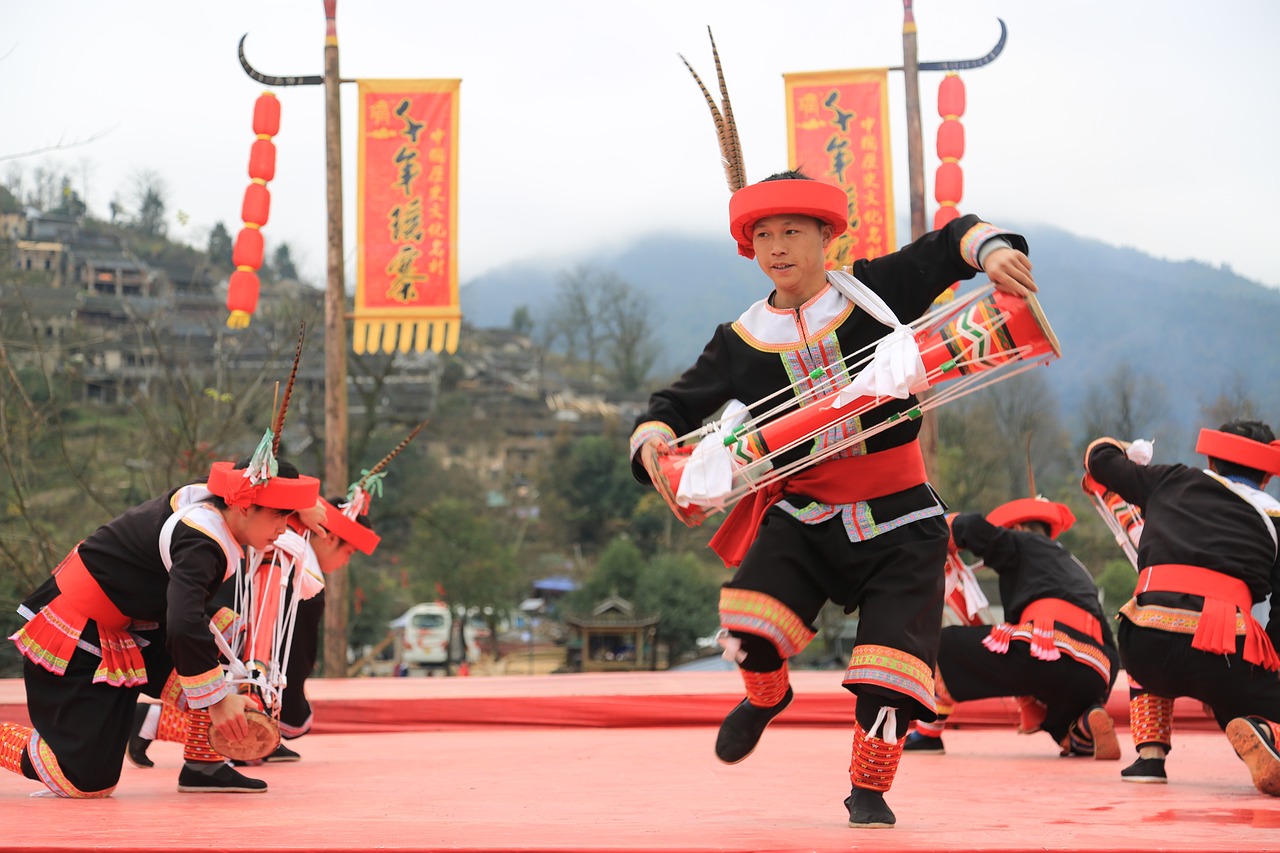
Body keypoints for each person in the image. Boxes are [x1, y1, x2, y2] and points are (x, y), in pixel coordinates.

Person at [629, 170, 1037, 828]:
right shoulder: (739, 340)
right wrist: (652, 441)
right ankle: (766, 697)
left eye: (792, 231)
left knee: (890, 668)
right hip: (806, 516)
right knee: (749, 622)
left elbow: (953, 239)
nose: (777, 247)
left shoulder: (874, 293)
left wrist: (990, 251)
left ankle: (868, 788)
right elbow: (672, 405)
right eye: (764, 235)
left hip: (903, 516)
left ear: (827, 237)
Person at [0, 454, 320, 798]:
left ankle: (204, 766)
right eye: (279, 516)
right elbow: (183, 623)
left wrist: (301, 507)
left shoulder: (214, 499)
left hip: (134, 627)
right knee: (85, 780)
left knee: (223, 631)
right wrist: (217, 701)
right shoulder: (201, 541)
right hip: (78, 635)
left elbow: (250, 480)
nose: (283, 528)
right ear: (243, 507)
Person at [1084, 420, 1280, 794]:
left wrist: (1127, 448)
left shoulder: (1170, 479)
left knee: (1149, 620)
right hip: (1225, 650)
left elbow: (1098, 458)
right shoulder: (1276, 517)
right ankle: (1264, 729)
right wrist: (1263, 674)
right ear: (1268, 476)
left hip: (1143, 642)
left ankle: (1150, 757)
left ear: (1210, 460)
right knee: (1245, 693)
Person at [128, 495, 379, 766]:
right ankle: (156, 721)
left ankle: (160, 723)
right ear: (330, 538)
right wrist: (289, 707)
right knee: (241, 699)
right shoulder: (297, 569)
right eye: (348, 553)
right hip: (202, 643)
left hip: (176, 626)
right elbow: (296, 654)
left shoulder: (258, 539)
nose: (346, 562)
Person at [902, 500, 1121, 760]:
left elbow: (971, 527)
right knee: (1059, 723)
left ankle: (927, 736)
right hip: (1096, 669)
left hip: (1048, 646)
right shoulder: (1077, 569)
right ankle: (1084, 726)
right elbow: (1111, 649)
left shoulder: (1024, 542)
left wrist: (939, 529)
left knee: (942, 646)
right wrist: (1099, 690)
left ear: (1016, 528)